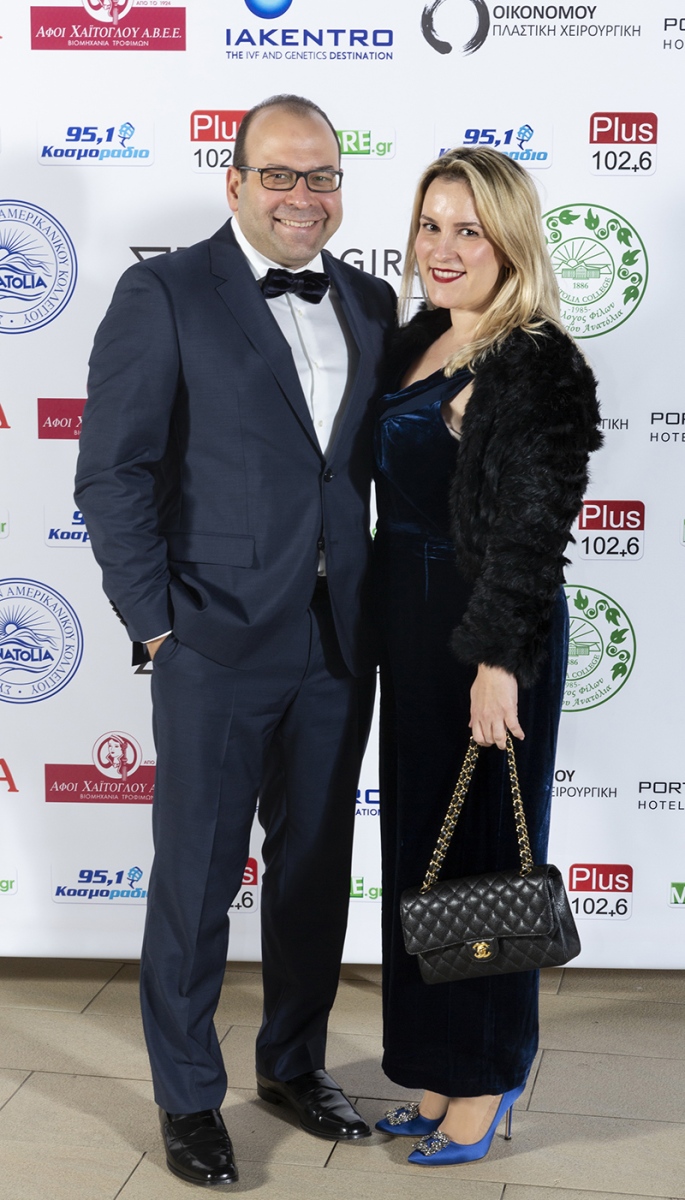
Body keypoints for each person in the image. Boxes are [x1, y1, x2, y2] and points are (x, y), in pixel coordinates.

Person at [75, 93, 395, 1187]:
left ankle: (293, 1065)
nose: (305, 196)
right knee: (197, 878)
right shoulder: (164, 291)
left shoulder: (371, 299)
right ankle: (187, 1099)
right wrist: (158, 627)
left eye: (323, 176)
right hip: (210, 640)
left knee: (312, 872)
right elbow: (112, 473)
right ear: (236, 181)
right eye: (281, 175)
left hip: (338, 640)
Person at [372, 147, 601, 1167]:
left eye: (468, 229)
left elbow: (534, 529)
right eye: (431, 225)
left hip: (486, 635)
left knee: (486, 860)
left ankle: (488, 1075)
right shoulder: (418, 337)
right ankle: (435, 1065)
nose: (444, 247)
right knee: (423, 858)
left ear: (509, 241)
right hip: (408, 632)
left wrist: (497, 660)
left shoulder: (535, 361)